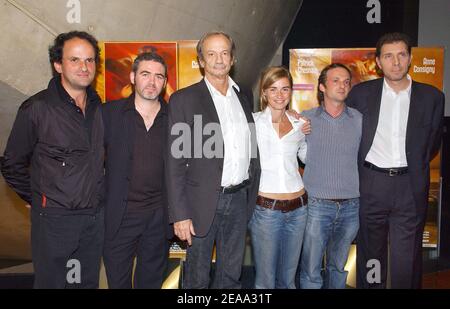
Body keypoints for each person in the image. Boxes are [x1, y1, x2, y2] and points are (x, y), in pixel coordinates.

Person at [1, 31, 104, 288]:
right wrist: (39, 199)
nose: (84, 67)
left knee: (85, 284)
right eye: (75, 60)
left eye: (90, 60)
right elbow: (11, 164)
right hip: (55, 222)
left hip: (93, 220)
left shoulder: (98, 106)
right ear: (58, 65)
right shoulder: (36, 108)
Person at [346, 32, 445, 289]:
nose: (396, 62)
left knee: (407, 257)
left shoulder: (432, 97)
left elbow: (432, 144)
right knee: (371, 252)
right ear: (378, 61)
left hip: (409, 186)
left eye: (401, 55)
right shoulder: (360, 94)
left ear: (410, 58)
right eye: (388, 56)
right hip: (371, 184)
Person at [166, 31, 260, 289]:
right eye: (211, 54)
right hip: (200, 204)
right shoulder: (183, 100)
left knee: (231, 276)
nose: (219, 59)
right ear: (201, 61)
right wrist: (180, 214)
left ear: (232, 59)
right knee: (197, 279)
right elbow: (174, 163)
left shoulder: (244, 97)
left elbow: (251, 149)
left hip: (239, 200)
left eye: (224, 53)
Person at [102, 52, 171, 289]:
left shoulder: (176, 118)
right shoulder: (108, 114)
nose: (152, 82)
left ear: (164, 81)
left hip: (159, 218)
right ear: (132, 77)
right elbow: (88, 163)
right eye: (145, 74)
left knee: (151, 283)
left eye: (158, 76)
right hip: (119, 217)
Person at [299, 63, 362, 289]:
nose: (342, 85)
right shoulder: (304, 120)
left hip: (351, 206)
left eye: (346, 81)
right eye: (336, 80)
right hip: (316, 205)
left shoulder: (360, 120)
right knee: (311, 270)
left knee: (338, 268)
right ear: (322, 87)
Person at [249, 66, 308, 289]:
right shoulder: (252, 122)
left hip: (299, 208)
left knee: (288, 280)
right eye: (273, 89)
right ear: (264, 93)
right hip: (266, 211)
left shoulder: (300, 124)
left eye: (285, 89)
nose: (279, 95)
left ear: (291, 92)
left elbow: (305, 157)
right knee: (264, 281)